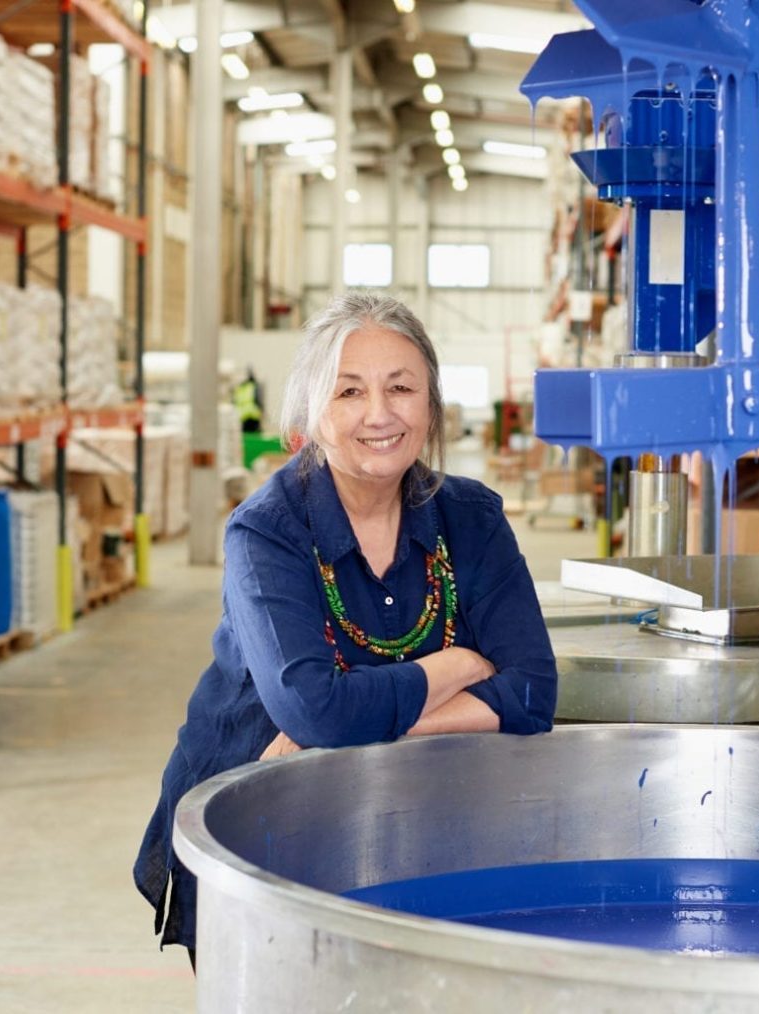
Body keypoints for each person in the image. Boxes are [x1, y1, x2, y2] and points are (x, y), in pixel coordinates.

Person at [133, 292, 558, 965]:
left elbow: (534, 693)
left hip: (409, 820)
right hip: (261, 819)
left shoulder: (472, 520)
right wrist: (456, 668)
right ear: (313, 412)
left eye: (401, 388)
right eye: (349, 392)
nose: (379, 414)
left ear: (431, 405)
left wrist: (348, 718)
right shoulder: (267, 531)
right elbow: (313, 707)